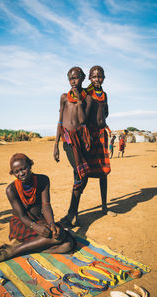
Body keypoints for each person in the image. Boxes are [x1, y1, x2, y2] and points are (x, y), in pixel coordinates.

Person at [0, 153, 75, 267]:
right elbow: (22, 216)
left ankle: (30, 249)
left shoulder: (43, 180)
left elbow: (46, 205)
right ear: (13, 173)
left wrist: (51, 224)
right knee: (62, 239)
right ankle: (12, 252)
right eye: (16, 172)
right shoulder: (11, 189)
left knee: (67, 244)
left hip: (40, 220)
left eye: (24, 168)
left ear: (30, 165)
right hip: (23, 223)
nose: (21, 173)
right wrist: (36, 227)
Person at [53, 67, 92, 227]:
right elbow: (60, 121)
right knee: (79, 173)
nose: (73, 81)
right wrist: (55, 144)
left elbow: (83, 120)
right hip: (68, 140)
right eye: (70, 79)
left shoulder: (87, 98)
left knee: (84, 176)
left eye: (76, 78)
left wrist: (79, 100)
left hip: (82, 140)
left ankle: (72, 212)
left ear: (83, 78)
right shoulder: (64, 97)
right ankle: (71, 213)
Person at [86, 65, 116, 216]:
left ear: (104, 77)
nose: (97, 79)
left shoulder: (104, 94)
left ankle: (104, 206)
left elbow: (106, 112)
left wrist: (102, 123)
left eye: (100, 76)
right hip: (89, 135)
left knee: (103, 172)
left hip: (102, 135)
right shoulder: (86, 93)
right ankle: (75, 211)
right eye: (94, 76)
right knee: (82, 173)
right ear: (89, 78)